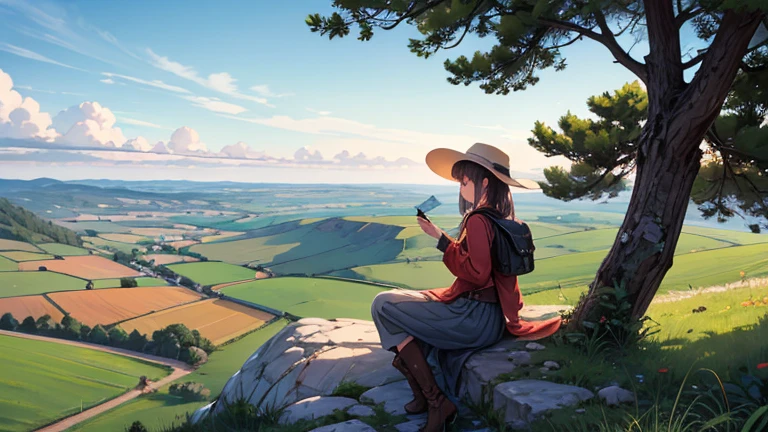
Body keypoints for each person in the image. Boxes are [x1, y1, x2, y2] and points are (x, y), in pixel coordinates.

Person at [370, 143, 563, 432]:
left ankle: (435, 401)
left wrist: (444, 247)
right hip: (494, 317)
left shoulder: (477, 220)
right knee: (405, 304)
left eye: (465, 181)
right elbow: (488, 269)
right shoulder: (505, 219)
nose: (461, 188)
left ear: (484, 181)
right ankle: (426, 397)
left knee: (383, 304)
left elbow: (476, 272)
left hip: (473, 318)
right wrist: (439, 235)